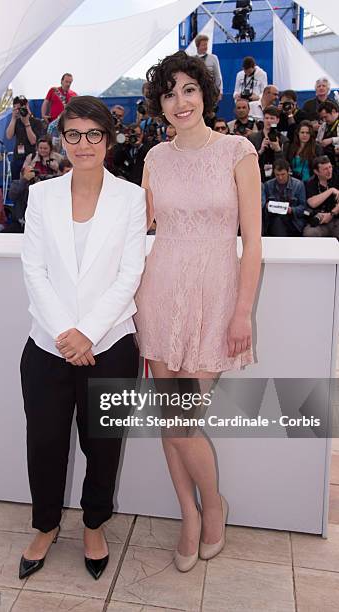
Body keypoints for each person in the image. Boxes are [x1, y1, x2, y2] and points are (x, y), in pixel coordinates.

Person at [134, 51, 261, 571]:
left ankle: (215, 508)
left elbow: (252, 242)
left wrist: (243, 312)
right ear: (159, 103)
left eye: (189, 89)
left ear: (205, 93)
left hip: (216, 294)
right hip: (160, 294)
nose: (179, 101)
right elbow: (134, 229)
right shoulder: (153, 159)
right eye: (169, 92)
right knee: (171, 418)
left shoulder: (237, 150)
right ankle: (190, 513)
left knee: (183, 420)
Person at [19, 95, 146, 582]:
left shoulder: (130, 198)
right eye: (74, 134)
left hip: (110, 345)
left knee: (103, 442)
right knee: (45, 443)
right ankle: (46, 525)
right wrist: (66, 333)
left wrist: (88, 333)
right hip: (48, 346)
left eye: (94, 134)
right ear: (63, 139)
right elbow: (34, 268)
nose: (84, 143)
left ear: (108, 140)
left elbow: (129, 272)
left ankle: (94, 525)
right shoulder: (42, 195)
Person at [262, 159, 306, 237]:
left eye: (283, 174)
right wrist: (267, 206)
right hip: (274, 219)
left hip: (293, 221)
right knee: (277, 222)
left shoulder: (298, 185)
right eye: (277, 175)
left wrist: (291, 210)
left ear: (288, 171)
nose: (280, 177)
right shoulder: (268, 185)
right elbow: (263, 205)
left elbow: (303, 207)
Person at [6, 96, 45, 180]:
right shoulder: (16, 121)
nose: (19, 111)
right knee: (16, 183)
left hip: (31, 157)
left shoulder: (36, 122)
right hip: (17, 157)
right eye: (16, 109)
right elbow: (8, 136)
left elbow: (33, 141)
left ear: (26, 106)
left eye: (20, 108)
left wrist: (27, 123)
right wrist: (13, 118)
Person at [303, 155, 339, 238]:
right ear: (316, 171)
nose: (329, 171)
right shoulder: (311, 183)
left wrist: (332, 214)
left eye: (330, 167)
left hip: (336, 219)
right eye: (325, 169)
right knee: (309, 233)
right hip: (320, 221)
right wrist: (331, 190)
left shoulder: (337, 177)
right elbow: (312, 203)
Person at [249, 106, 287, 182]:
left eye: (272, 118)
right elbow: (250, 162)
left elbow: (285, 165)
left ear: (277, 120)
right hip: (258, 176)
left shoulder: (283, 140)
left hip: (277, 179)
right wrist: (260, 150)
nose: (269, 121)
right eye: (266, 118)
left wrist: (278, 150)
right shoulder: (253, 138)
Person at [194, 34, 223, 100]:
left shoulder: (213, 58)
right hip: (197, 92)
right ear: (197, 46)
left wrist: (220, 91)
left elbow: (218, 76)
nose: (206, 47)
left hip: (211, 92)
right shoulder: (192, 59)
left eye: (206, 45)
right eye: (203, 45)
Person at [317, 101, 339, 166]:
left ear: (333, 111)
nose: (324, 120)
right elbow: (318, 140)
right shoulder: (324, 125)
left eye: (325, 117)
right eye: (322, 118)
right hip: (328, 162)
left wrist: (331, 140)